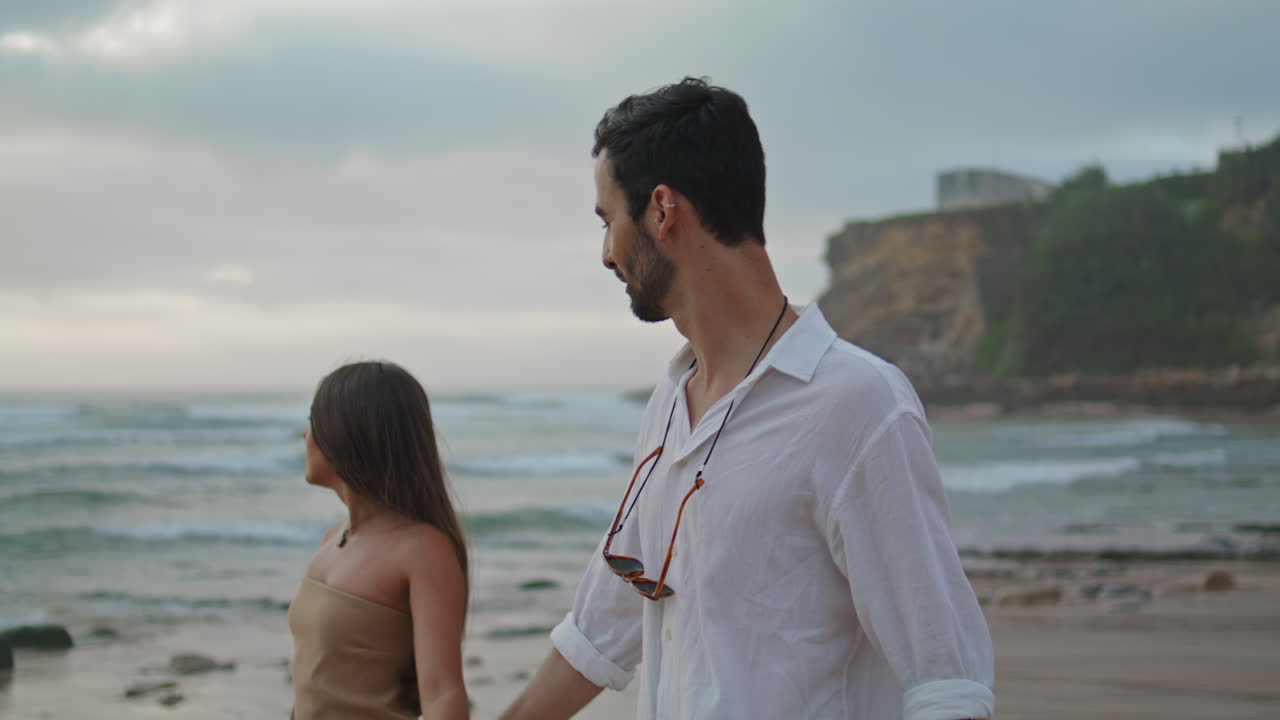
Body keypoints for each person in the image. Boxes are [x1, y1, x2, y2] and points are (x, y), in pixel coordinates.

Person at [501, 78, 994, 719]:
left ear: (661, 210)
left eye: (607, 221)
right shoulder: (671, 405)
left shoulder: (856, 404)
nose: (606, 254)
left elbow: (946, 678)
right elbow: (602, 626)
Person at [289, 361, 470, 720]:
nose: (305, 435)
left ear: (345, 433)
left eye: (314, 420)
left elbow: (442, 695)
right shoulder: (334, 537)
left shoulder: (421, 550)